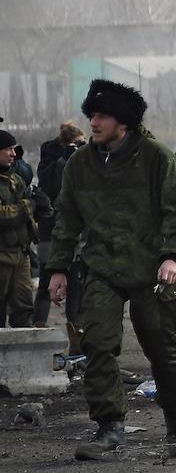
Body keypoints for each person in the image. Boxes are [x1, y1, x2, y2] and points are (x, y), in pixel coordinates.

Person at [46, 79, 176, 460]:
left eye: (101, 116)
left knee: (162, 349)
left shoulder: (157, 158)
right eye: (91, 115)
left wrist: (173, 257)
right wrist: (58, 268)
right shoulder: (80, 164)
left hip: (151, 269)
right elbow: (67, 219)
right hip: (102, 268)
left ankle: (175, 416)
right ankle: (109, 427)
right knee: (96, 344)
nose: (93, 123)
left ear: (123, 122)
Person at [33, 122, 86, 327]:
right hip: (51, 232)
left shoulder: (82, 163)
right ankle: (39, 328)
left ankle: (76, 332)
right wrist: (65, 159)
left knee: (75, 286)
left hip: (76, 234)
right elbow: (52, 187)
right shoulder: (50, 162)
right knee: (46, 284)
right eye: (78, 144)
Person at [0, 128, 37, 328]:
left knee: (24, 309)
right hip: (2, 257)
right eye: (8, 149)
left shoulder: (15, 179)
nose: (13, 154)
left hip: (20, 254)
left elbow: (28, 213)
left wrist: (39, 207)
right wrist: (24, 208)